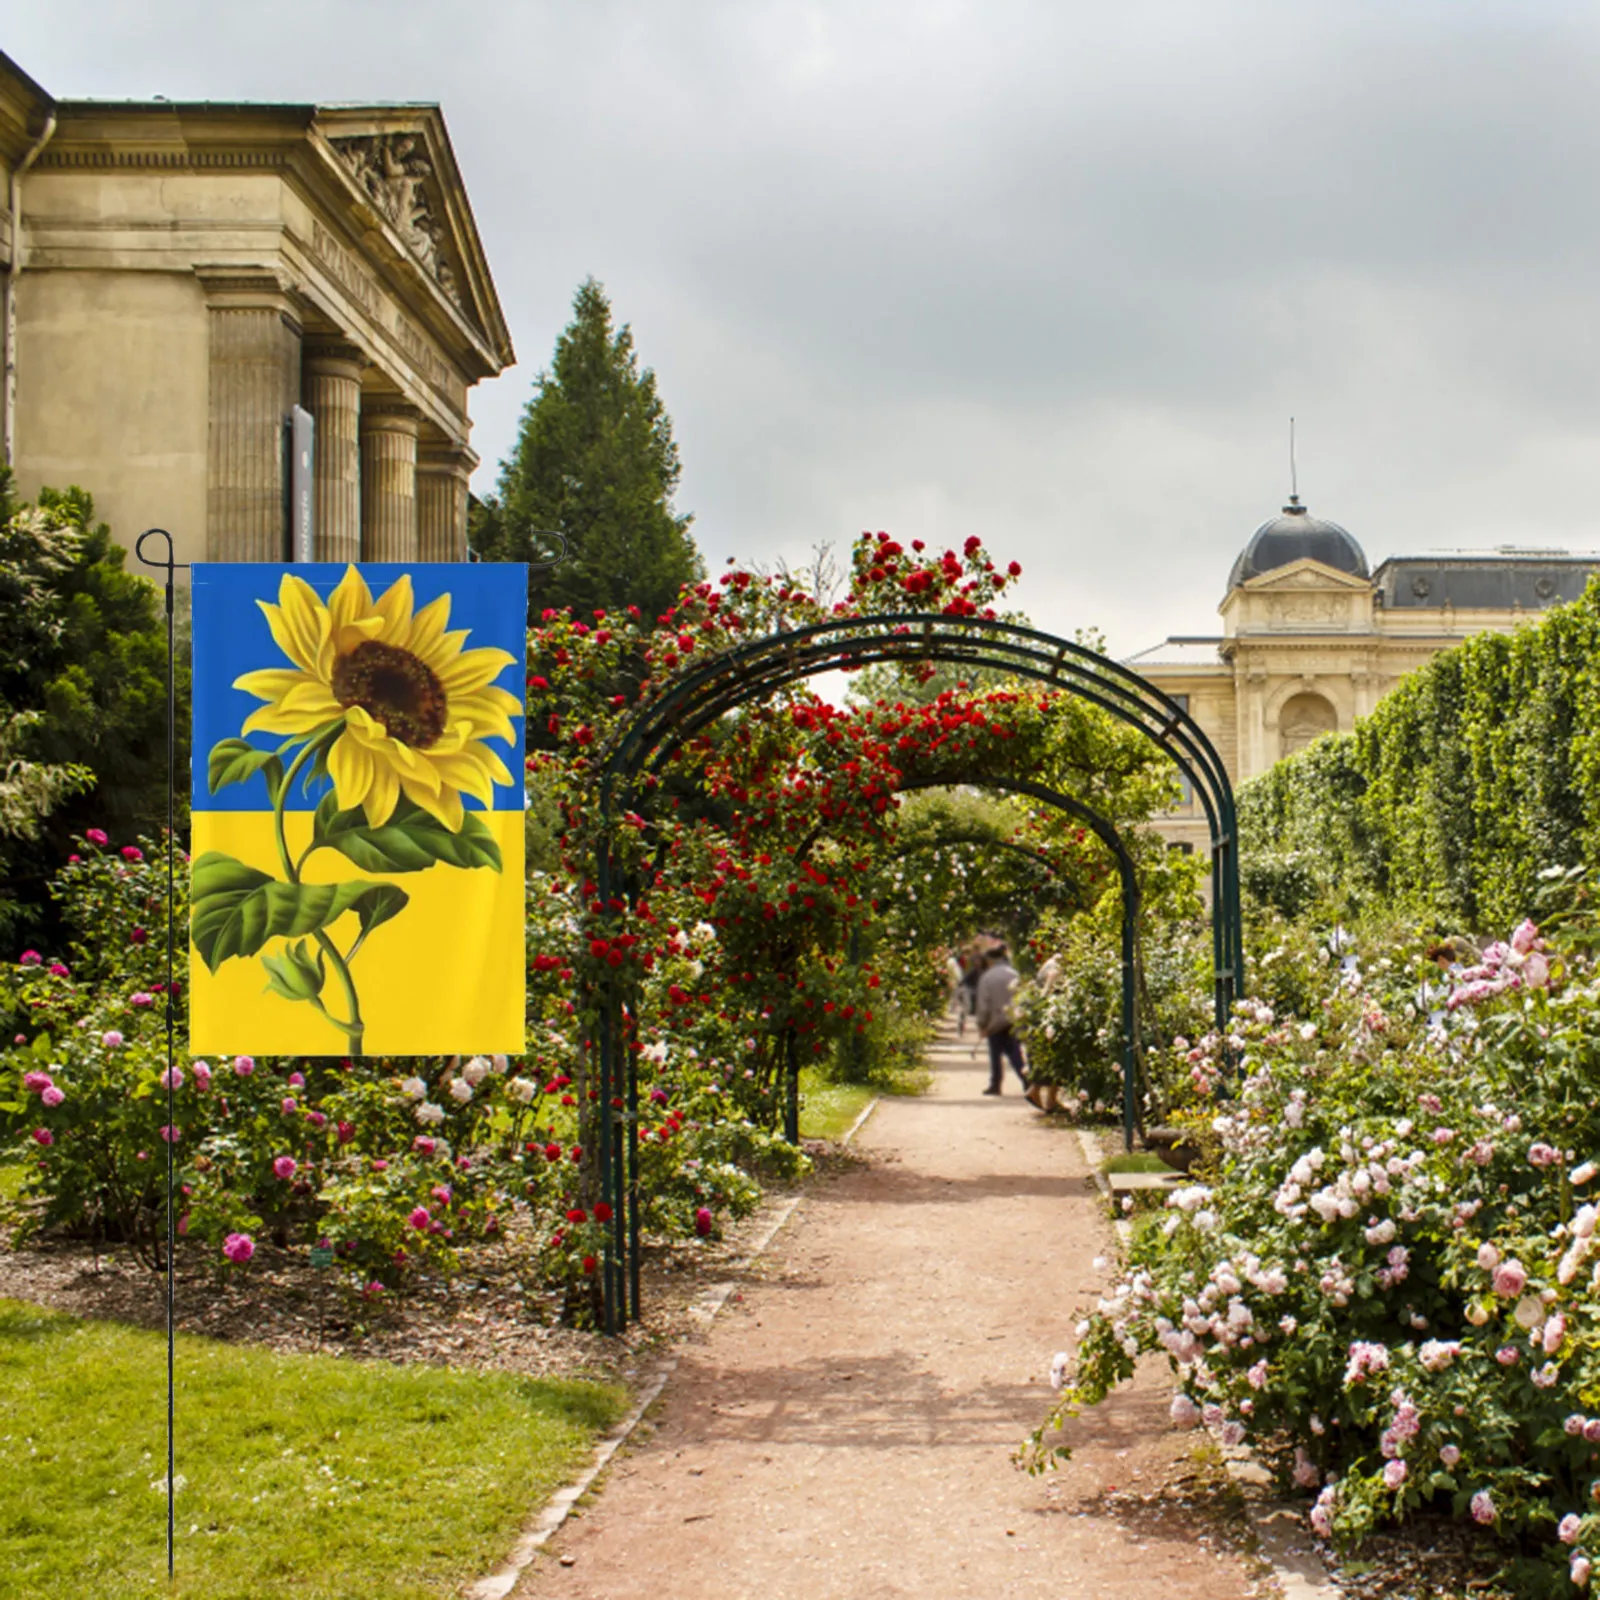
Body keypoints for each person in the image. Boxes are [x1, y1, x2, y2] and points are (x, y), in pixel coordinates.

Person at [974, 942, 1029, 1095]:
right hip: (1013, 1018)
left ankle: (995, 1084)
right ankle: (1026, 1080)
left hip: (995, 1021)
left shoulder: (987, 977)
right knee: (1014, 1052)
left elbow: (984, 1004)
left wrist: (982, 1025)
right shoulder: (1013, 974)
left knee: (995, 1054)